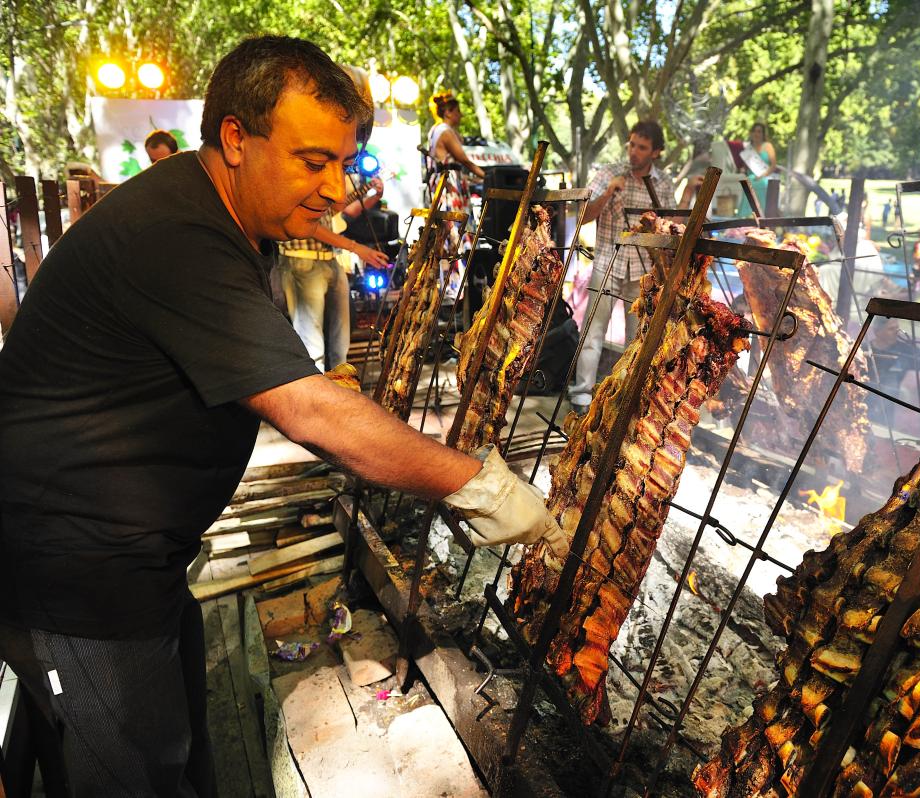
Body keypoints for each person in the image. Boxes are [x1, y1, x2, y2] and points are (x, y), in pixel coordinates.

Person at [0, 36, 566, 796]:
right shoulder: (176, 234)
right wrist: (478, 485)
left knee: (175, 746)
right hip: (73, 569)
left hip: (135, 556)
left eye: (341, 160)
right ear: (236, 138)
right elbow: (307, 411)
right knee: (128, 772)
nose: (336, 188)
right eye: (312, 161)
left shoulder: (216, 213)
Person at [567, 120, 677, 414]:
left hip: (642, 269)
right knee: (592, 332)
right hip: (608, 262)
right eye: (632, 144)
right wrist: (607, 194)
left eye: (642, 147)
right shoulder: (608, 173)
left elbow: (670, 228)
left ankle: (625, 400)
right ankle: (581, 397)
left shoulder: (663, 184)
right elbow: (583, 216)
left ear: (655, 152)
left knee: (636, 339)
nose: (634, 152)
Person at [276, 174, 388, 370]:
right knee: (312, 346)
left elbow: (339, 209)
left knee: (340, 345)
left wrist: (373, 196)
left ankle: (339, 392)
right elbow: (310, 226)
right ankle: (317, 398)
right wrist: (356, 247)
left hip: (329, 259)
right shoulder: (298, 176)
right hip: (302, 259)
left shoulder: (326, 176)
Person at [425, 91, 485, 299]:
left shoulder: (435, 130)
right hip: (448, 188)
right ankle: (457, 291)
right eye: (458, 111)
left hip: (447, 185)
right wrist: (487, 177)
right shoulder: (445, 131)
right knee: (455, 234)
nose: (461, 115)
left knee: (452, 237)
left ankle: (453, 288)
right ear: (449, 112)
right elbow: (464, 160)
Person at [736, 122, 776, 217]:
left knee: (761, 184)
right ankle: (745, 217)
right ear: (751, 133)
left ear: (762, 134)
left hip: (765, 176)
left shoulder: (768, 146)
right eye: (754, 131)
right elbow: (746, 167)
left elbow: (773, 165)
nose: (756, 134)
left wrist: (762, 175)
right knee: (748, 183)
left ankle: (761, 216)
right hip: (752, 176)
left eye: (759, 132)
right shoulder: (748, 149)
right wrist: (742, 169)